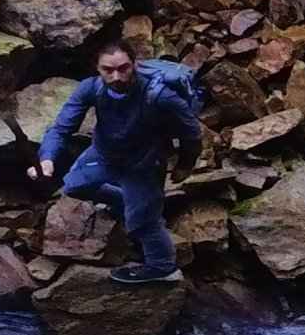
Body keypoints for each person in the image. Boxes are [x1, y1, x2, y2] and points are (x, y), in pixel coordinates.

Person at [36, 44, 198, 285]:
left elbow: (191, 133)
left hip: (143, 164)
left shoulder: (161, 96)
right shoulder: (90, 88)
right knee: (73, 187)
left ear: (134, 64)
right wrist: (47, 158)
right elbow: (61, 128)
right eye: (108, 70)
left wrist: (185, 164)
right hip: (103, 154)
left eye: (124, 69)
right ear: (97, 69)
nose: (116, 77)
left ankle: (163, 267)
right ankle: (125, 202)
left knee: (143, 224)